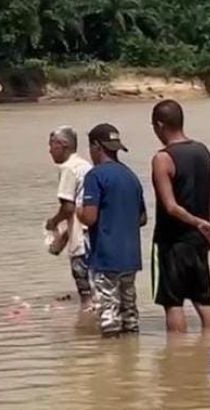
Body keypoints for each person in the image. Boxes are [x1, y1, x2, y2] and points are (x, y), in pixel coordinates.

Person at [150, 99, 210, 334]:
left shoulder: (163, 159)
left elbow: (171, 207)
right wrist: (206, 226)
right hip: (199, 240)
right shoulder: (203, 151)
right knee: (204, 302)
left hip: (174, 241)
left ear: (160, 125)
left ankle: (177, 363)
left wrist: (197, 222)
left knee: (173, 304)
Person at [79, 124, 147, 337]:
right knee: (129, 314)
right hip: (131, 257)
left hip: (106, 257)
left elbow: (90, 217)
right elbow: (142, 218)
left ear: (96, 146)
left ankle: (112, 363)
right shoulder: (131, 176)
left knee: (109, 316)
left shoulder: (95, 176)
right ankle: (130, 361)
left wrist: (76, 211)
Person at [46, 126, 94, 310]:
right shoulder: (85, 165)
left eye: (51, 145)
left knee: (81, 276)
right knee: (94, 276)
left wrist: (53, 222)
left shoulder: (68, 168)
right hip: (91, 225)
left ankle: (86, 312)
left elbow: (68, 207)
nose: (49, 150)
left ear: (63, 145)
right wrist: (64, 237)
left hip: (81, 231)